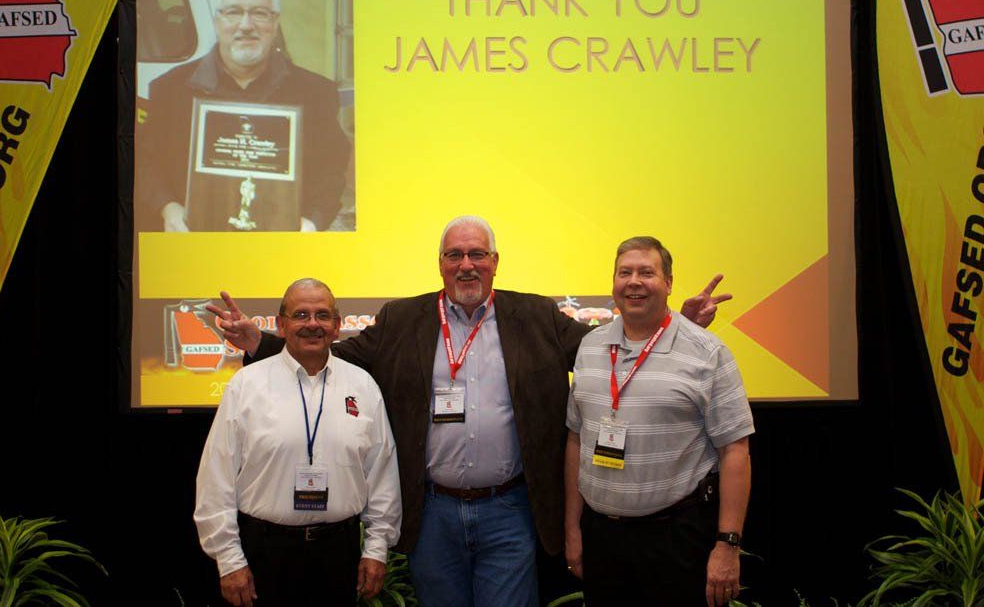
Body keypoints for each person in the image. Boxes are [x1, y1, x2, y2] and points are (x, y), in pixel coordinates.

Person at [208, 216, 732, 607]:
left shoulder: (536, 315)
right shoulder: (403, 319)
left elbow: (606, 351)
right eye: (455, 255)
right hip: (433, 511)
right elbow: (329, 353)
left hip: (510, 509)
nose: (466, 265)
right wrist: (258, 341)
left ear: (495, 262)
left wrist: (671, 325)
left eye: (477, 254)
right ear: (440, 263)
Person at [564, 237, 754, 607]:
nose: (634, 282)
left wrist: (727, 545)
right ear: (613, 282)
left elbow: (735, 450)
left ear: (668, 283)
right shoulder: (590, 347)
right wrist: (573, 528)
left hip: (677, 539)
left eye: (646, 273)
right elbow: (576, 438)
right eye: (625, 273)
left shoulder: (707, 352)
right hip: (602, 538)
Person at [194, 278, 400, 607]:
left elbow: (382, 475)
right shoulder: (246, 385)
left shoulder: (362, 386)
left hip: (338, 554)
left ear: (337, 326)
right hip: (264, 554)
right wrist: (229, 560)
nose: (312, 324)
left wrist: (376, 550)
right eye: (300, 315)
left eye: (323, 315)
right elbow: (215, 479)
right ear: (281, 324)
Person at [137, 0, 350, 232]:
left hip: (280, 245)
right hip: (195, 242)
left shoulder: (316, 94)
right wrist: (167, 207)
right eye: (233, 12)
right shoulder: (169, 90)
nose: (246, 25)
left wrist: (313, 221)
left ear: (275, 23)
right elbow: (145, 163)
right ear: (217, 20)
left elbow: (330, 171)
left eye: (260, 13)